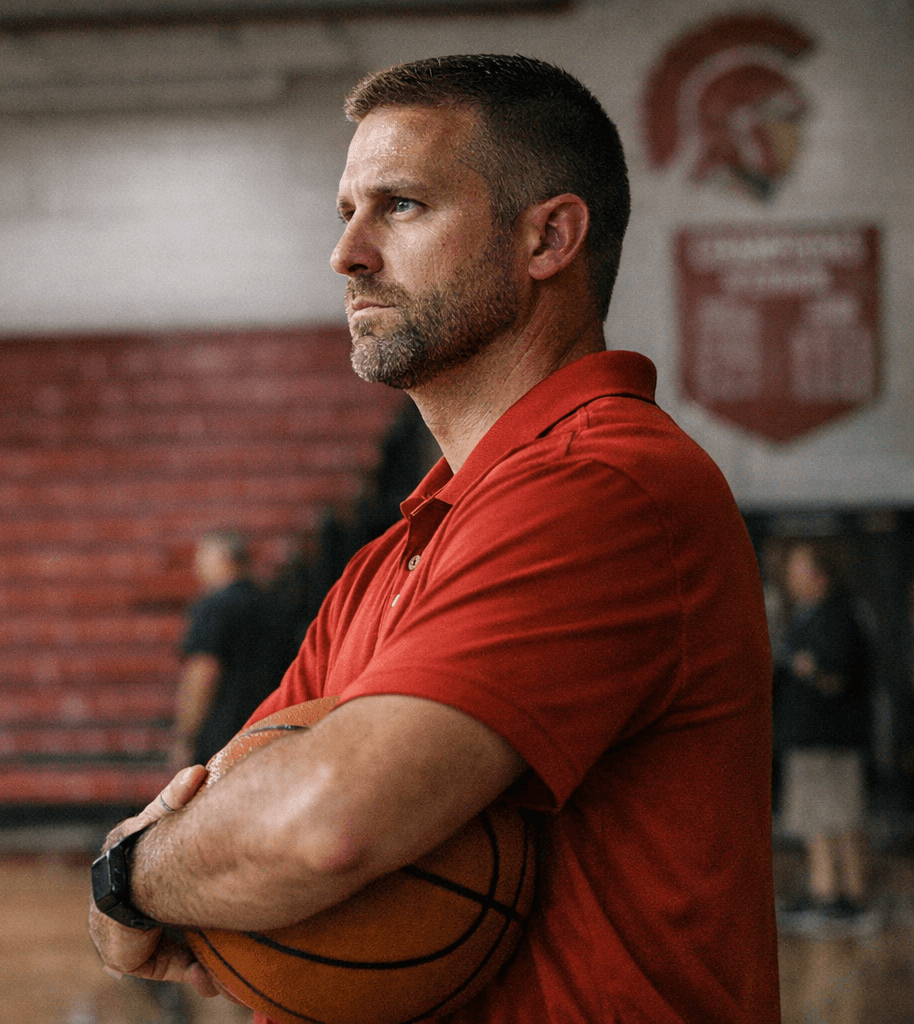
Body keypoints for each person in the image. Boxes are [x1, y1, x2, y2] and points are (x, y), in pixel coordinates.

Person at [89, 54, 780, 1022]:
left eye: (401, 206)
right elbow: (236, 810)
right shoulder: (389, 558)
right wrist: (189, 866)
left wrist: (125, 876)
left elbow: (321, 826)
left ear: (548, 238)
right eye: (346, 213)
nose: (347, 254)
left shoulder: (605, 486)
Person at [774, 540, 875, 932]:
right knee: (818, 820)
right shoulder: (806, 615)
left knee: (837, 819)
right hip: (811, 739)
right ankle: (827, 892)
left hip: (830, 740)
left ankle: (843, 896)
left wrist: (806, 667)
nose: (791, 577)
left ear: (821, 574)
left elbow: (838, 676)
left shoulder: (839, 616)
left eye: (799, 568)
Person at [171, 531, 274, 770]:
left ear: (223, 559)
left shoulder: (214, 607)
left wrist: (185, 736)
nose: (197, 568)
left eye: (201, 559)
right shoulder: (273, 603)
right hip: (269, 731)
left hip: (221, 739)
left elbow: (203, 672)